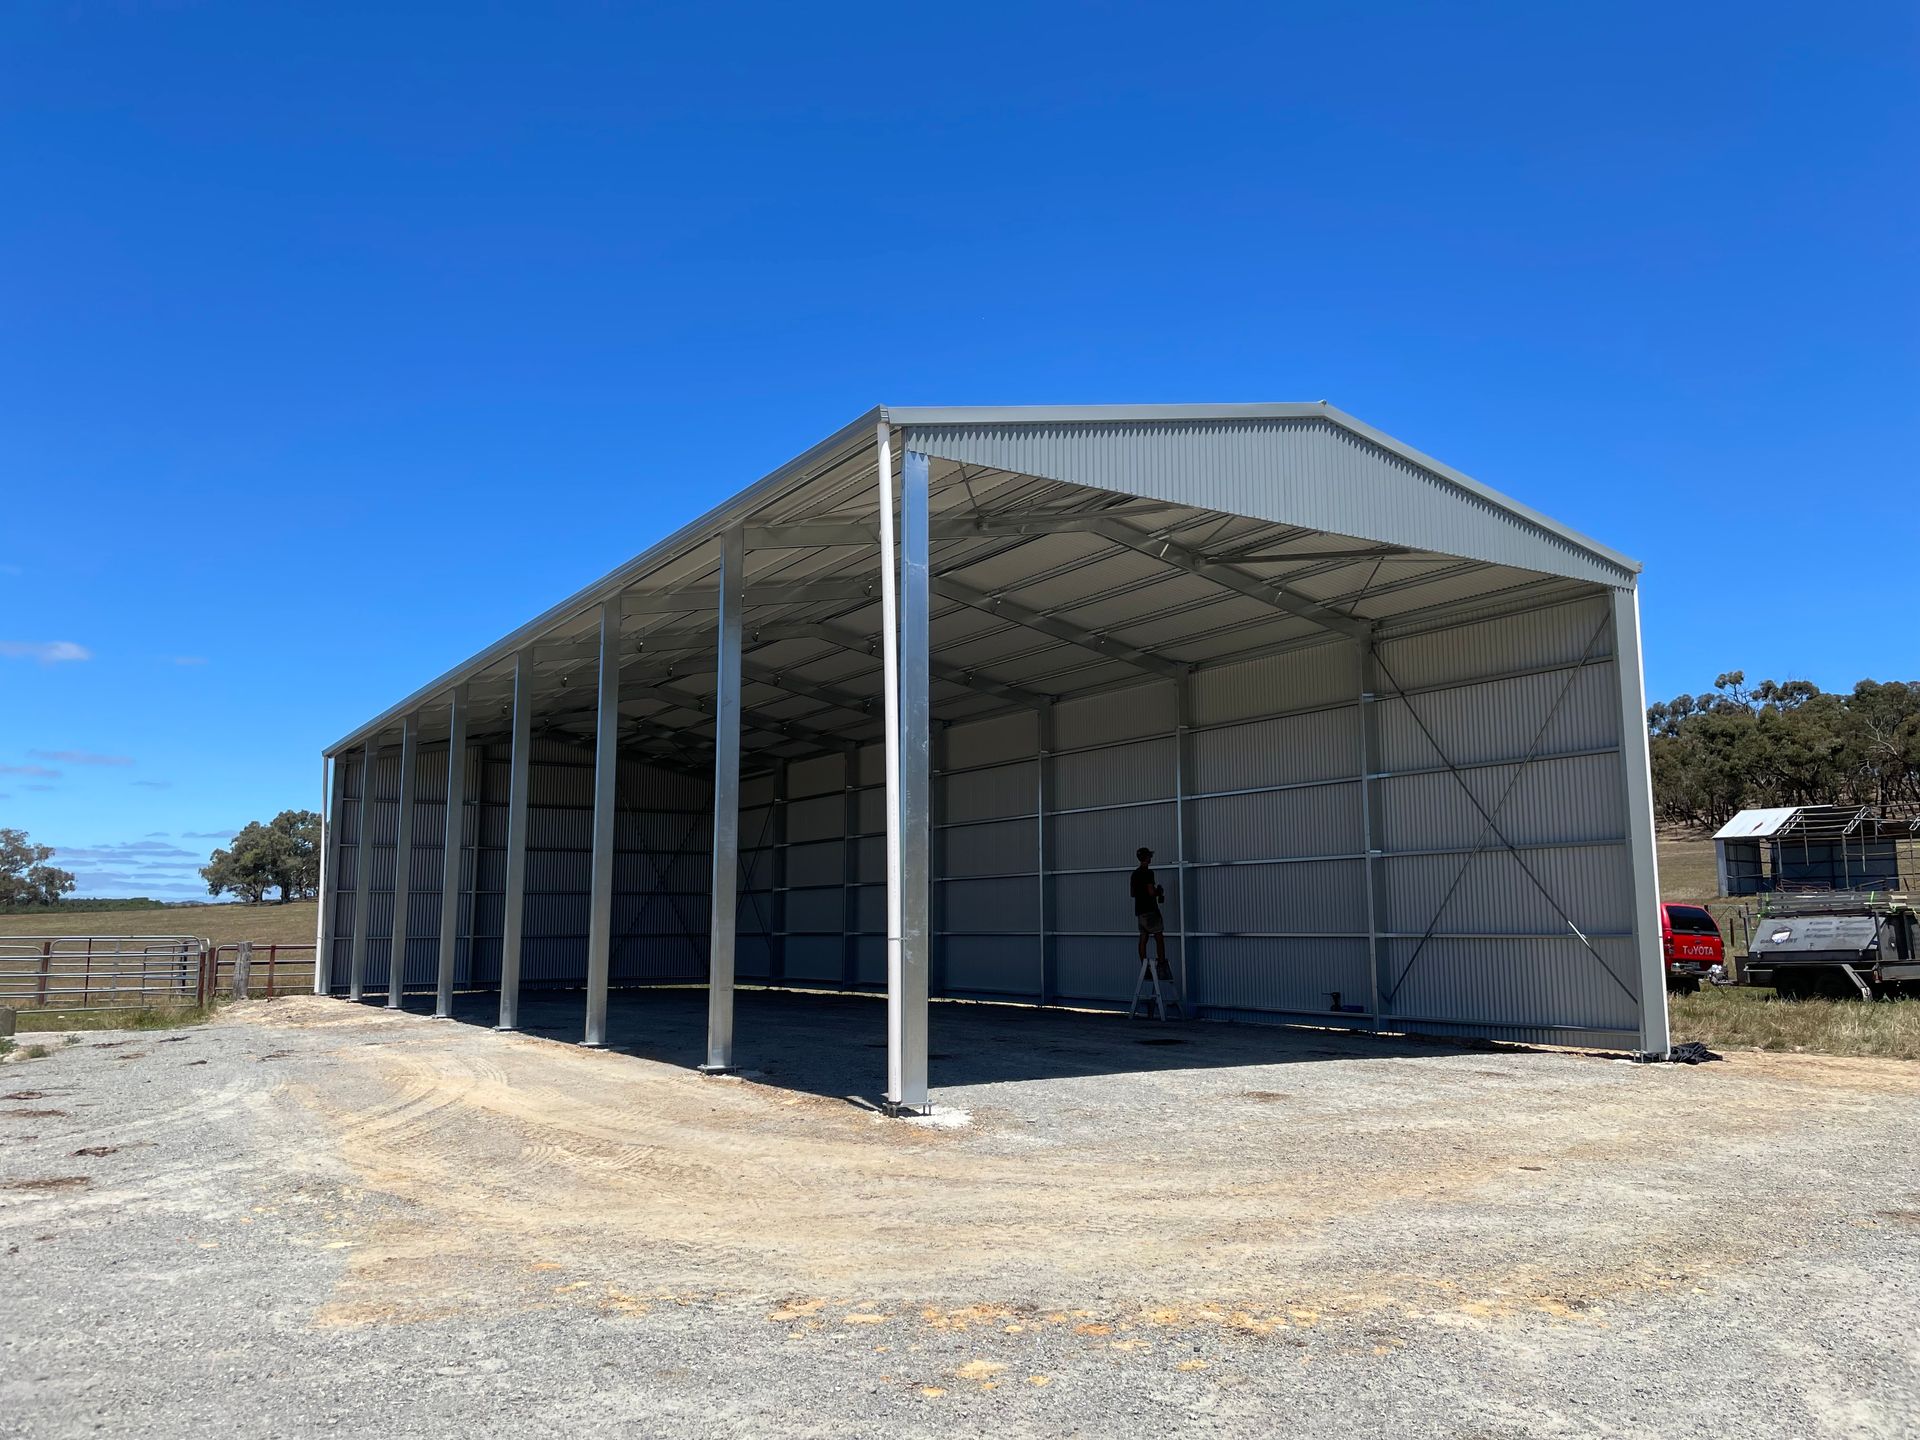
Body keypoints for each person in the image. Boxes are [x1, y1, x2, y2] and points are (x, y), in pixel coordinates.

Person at [1130, 846, 1168, 972]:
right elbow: (1151, 892)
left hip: (1140, 911)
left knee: (1143, 937)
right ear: (1147, 858)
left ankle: (1144, 966)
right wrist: (1158, 892)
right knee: (1159, 936)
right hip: (1150, 910)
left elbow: (1133, 893)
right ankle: (1161, 964)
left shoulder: (1134, 874)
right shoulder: (1148, 873)